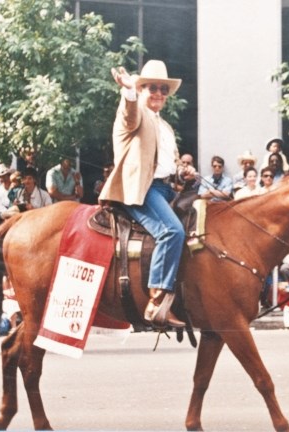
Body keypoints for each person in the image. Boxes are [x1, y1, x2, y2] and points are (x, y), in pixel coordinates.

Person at [101, 60, 193, 328]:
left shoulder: (165, 126)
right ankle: (156, 299)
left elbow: (167, 165)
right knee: (171, 231)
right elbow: (130, 116)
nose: (159, 94)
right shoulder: (135, 111)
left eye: (163, 89)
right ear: (141, 89)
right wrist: (128, 92)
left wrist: (182, 173)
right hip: (142, 190)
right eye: (152, 87)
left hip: (165, 189)